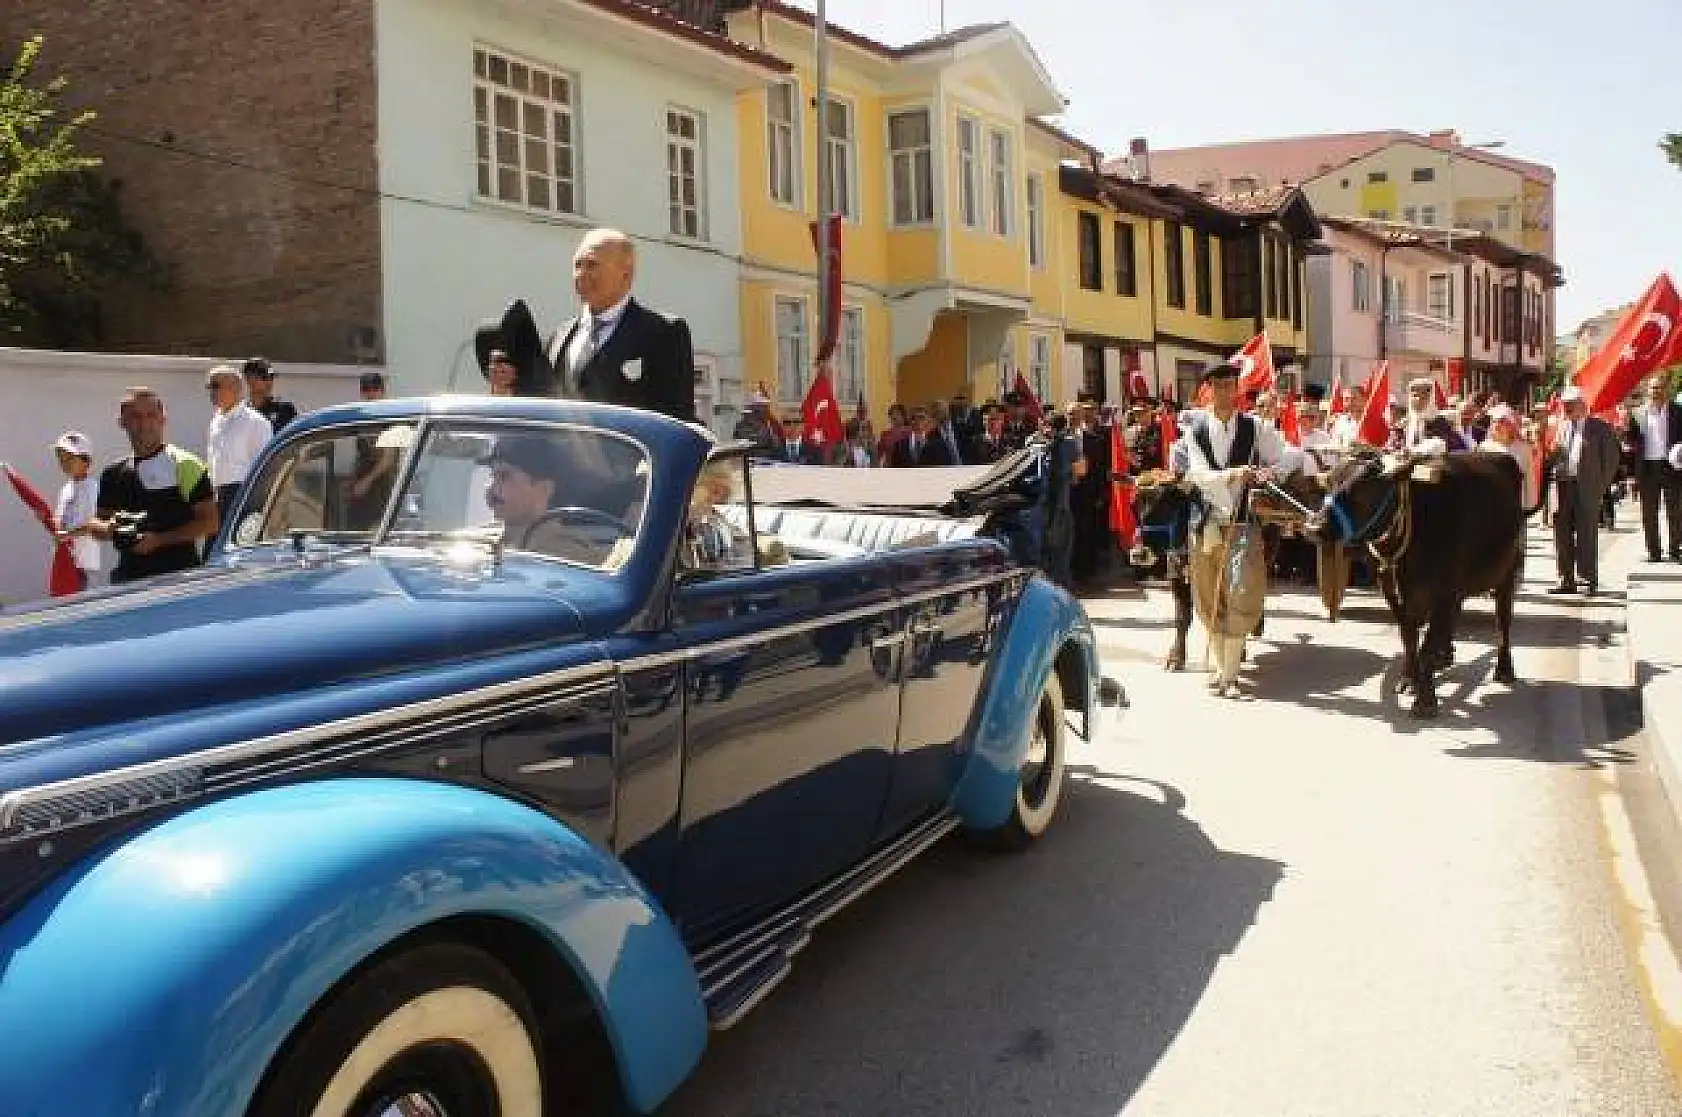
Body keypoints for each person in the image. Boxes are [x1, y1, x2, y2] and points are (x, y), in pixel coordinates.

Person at [1179, 362, 1290, 698]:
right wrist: (1230, 475)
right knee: (1207, 592)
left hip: (1242, 522)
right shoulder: (1194, 430)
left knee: (1241, 590)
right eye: (1219, 385)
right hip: (1206, 521)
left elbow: (1282, 458)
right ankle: (1218, 669)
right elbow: (1196, 473)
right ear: (1209, 389)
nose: (1226, 391)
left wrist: (1268, 474)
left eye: (1231, 385)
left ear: (1237, 389)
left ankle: (1230, 675)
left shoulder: (1256, 427)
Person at [547, 227, 696, 422]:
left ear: (626, 274)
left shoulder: (663, 333)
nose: (581, 274)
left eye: (592, 265)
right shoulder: (559, 337)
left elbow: (675, 418)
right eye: (577, 265)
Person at [88, 387, 218, 584]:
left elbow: (211, 522)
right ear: (122, 422)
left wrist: (159, 540)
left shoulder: (185, 464)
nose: (144, 423)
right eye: (136, 416)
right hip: (128, 581)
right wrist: (110, 528)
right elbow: (95, 524)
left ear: (163, 420)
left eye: (151, 415)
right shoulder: (113, 473)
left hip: (179, 580)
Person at [1548, 385, 1623, 595]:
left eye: (1571, 405)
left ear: (1583, 405)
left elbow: (1611, 460)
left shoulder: (1599, 428)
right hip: (1563, 487)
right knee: (1561, 534)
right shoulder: (1562, 427)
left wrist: (1600, 486)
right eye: (1565, 405)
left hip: (1587, 488)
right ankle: (1566, 579)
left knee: (1587, 534)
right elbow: (1556, 455)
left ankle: (1587, 579)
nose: (1567, 408)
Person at [204, 364, 275, 528]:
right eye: (209, 387)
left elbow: (266, 468)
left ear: (235, 387)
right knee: (212, 551)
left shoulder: (255, 422)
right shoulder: (216, 421)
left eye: (216, 386)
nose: (211, 392)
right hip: (216, 496)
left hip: (242, 497)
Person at [1627, 375, 1682, 562]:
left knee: (1675, 511)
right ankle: (1654, 552)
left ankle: (1675, 550)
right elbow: (1632, 443)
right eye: (1653, 388)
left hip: (1672, 467)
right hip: (1647, 468)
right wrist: (1631, 474)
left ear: (1666, 390)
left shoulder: (1678, 411)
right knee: (1649, 513)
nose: (1656, 391)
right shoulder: (1638, 414)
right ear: (1647, 391)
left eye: (1659, 388)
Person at [49, 431, 101, 592]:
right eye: (61, 458)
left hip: (82, 566)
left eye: (70, 458)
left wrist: (66, 535)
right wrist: (46, 519)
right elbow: (60, 523)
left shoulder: (92, 488)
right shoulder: (65, 489)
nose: (64, 462)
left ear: (87, 461)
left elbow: (94, 525)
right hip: (65, 561)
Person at [1390, 377, 1466, 454]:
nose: (1418, 400)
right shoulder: (1404, 424)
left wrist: (1417, 451)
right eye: (1415, 396)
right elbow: (1393, 446)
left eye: (1424, 397)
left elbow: (1450, 446)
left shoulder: (1440, 422)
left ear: (1431, 399)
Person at [242, 357, 299, 433]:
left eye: (271, 377)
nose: (269, 382)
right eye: (264, 377)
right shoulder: (242, 411)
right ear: (248, 379)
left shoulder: (284, 409)